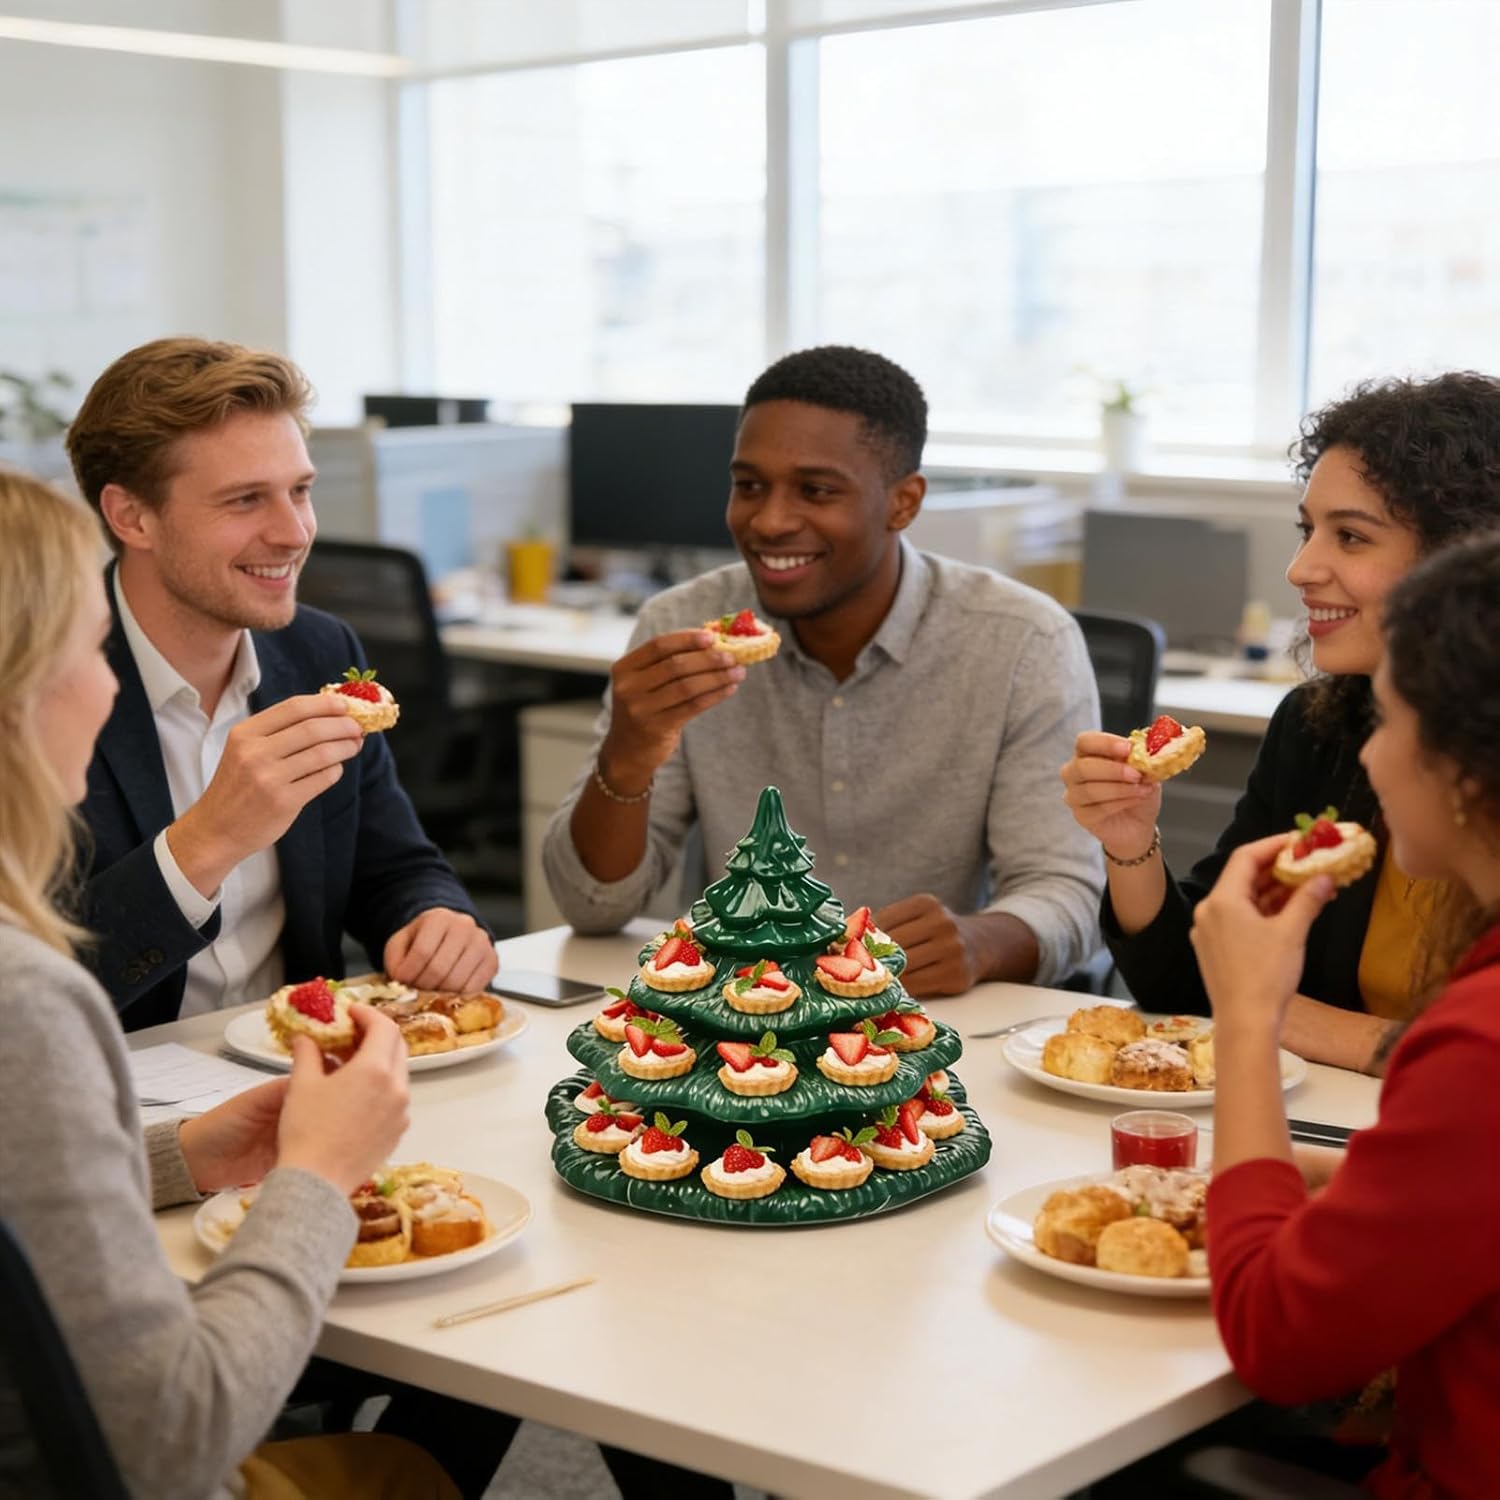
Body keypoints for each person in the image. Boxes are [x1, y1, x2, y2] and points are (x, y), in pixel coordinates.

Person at [0, 470, 462, 1498]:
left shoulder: (318, 652)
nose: (108, 687)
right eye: (87, 650)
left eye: (301, 490)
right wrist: (318, 1175)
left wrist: (182, 1155)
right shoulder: (26, 1000)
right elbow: (169, 1442)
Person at [544, 345, 1103, 996]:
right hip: (741, 1020)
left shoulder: (1022, 642)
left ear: (903, 503)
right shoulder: (681, 626)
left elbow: (1066, 891)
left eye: (815, 490)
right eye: (749, 486)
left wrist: (981, 943)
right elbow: (591, 907)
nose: (769, 521)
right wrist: (627, 756)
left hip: (927, 1021)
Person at [1059, 372, 1500, 1069]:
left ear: (1465, 558)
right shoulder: (1322, 727)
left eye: (1349, 536)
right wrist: (1130, 842)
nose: (1300, 568)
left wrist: (1307, 1022)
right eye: (1307, 530)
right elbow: (1188, 986)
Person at [63, 338, 497, 1030]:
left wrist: (434, 918)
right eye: (245, 500)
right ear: (131, 517)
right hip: (122, 1082)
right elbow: (34, 985)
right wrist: (205, 841)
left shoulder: (320, 650)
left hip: (301, 1062)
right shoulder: (40, 682)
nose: (295, 533)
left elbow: (393, 866)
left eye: (300, 491)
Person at [1190, 532, 1500, 1499]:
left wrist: (1249, 1014)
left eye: (1390, 722)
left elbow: (1278, 1341)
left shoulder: (1480, 1043)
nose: (1366, 753)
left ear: (1467, 771)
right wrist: (1363, 1180)